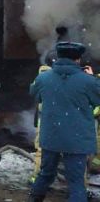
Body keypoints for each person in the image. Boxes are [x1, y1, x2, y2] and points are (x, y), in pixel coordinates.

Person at [28, 42, 100, 202]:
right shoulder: (88, 81)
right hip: (76, 141)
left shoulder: (43, 78)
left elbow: (34, 93)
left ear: (58, 57)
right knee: (76, 183)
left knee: (45, 175)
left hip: (51, 138)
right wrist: (91, 78)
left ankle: (34, 199)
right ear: (78, 60)